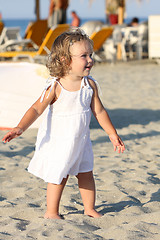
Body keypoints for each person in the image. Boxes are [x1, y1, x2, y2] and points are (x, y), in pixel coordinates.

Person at [2, 28, 125, 219]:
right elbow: (36, 109)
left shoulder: (89, 85)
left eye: (90, 55)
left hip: (81, 140)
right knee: (59, 176)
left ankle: (89, 208)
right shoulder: (55, 86)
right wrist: (20, 127)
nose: (90, 60)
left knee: (86, 173)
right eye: (83, 56)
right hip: (60, 141)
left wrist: (112, 133)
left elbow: (99, 112)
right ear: (64, 60)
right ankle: (51, 211)